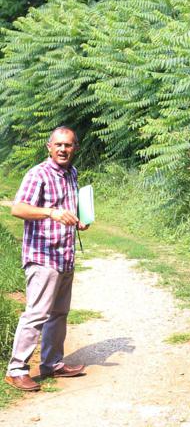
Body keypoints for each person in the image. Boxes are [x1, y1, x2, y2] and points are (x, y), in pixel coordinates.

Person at [4, 126, 89, 391]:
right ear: (49, 147)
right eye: (59, 145)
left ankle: (52, 363)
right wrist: (51, 213)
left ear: (75, 148)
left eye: (69, 145)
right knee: (37, 314)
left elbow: (69, 208)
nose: (64, 149)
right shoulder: (37, 174)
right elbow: (17, 208)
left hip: (65, 255)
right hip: (42, 256)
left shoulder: (71, 173)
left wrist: (79, 221)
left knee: (59, 313)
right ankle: (16, 369)